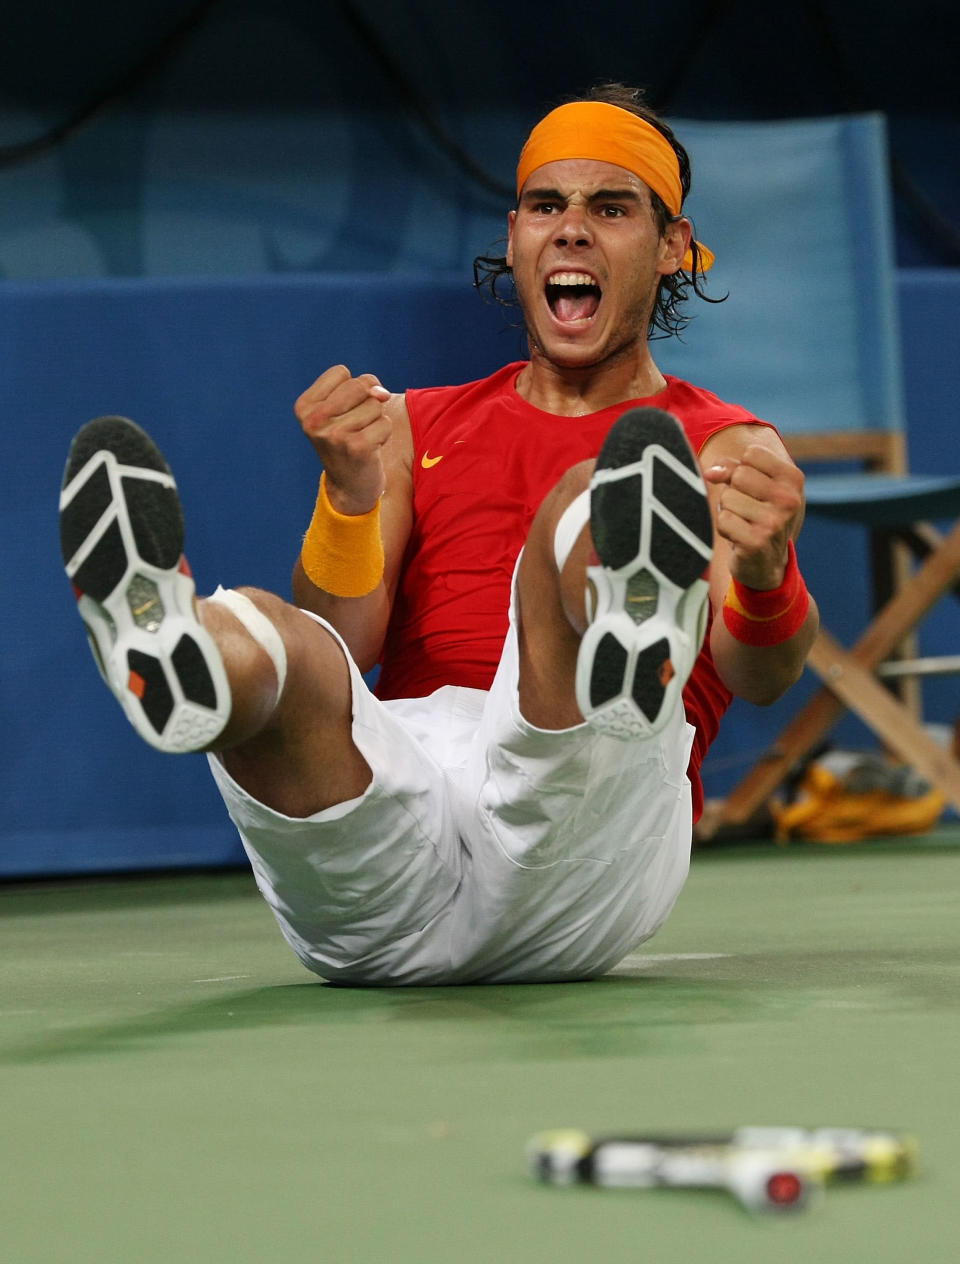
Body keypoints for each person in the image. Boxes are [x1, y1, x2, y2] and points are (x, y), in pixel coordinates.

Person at [59, 84, 818, 985]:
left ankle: (624, 628)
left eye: (610, 208)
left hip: (588, 844)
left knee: (587, 506)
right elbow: (348, 644)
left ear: (671, 250)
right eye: (547, 205)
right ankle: (178, 646)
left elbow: (760, 675)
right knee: (283, 642)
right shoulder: (414, 425)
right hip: (394, 840)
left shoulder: (724, 446)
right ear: (515, 237)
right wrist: (347, 493)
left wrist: (766, 573)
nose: (571, 229)